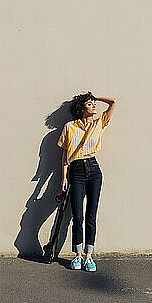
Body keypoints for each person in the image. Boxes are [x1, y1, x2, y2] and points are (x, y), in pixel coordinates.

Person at [57, 91, 117, 272]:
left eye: (94, 104)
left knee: (91, 216)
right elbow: (65, 155)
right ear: (81, 107)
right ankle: (78, 255)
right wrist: (63, 177)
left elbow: (113, 102)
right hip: (75, 171)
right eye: (89, 104)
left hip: (94, 170)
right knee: (77, 216)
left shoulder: (99, 123)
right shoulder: (69, 127)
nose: (94, 106)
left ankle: (89, 256)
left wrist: (95, 97)